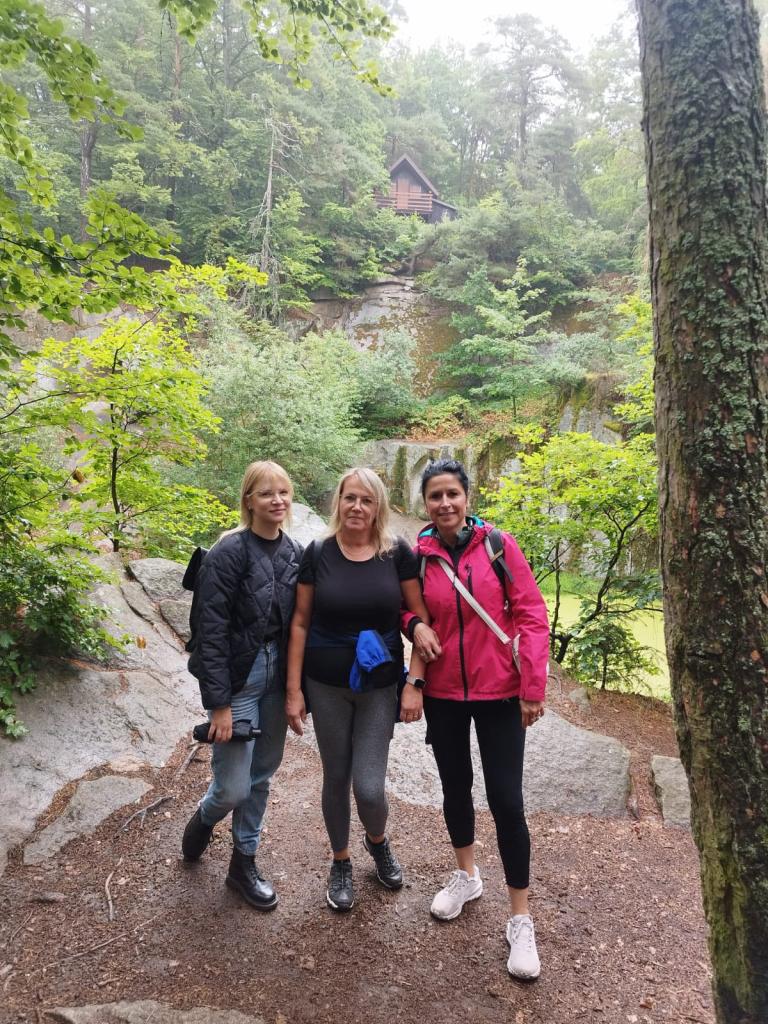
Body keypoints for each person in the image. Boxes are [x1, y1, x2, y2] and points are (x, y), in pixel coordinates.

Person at [400, 458, 549, 980]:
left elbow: (531, 614)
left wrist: (532, 687)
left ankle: (520, 917)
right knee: (455, 787)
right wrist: (414, 626)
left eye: (452, 494)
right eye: (435, 496)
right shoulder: (418, 555)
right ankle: (467, 876)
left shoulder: (498, 546)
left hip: (500, 692)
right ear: (425, 503)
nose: (444, 503)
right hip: (444, 692)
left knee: (506, 800)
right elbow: (405, 609)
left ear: (467, 497)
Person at [285, 467, 432, 913]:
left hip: (378, 685)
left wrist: (415, 682)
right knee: (336, 776)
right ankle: (341, 860)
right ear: (339, 502)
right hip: (325, 684)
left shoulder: (397, 553)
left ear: (378, 506)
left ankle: (377, 841)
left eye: (367, 500)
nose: (357, 507)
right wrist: (294, 691)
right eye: (350, 497)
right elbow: (300, 622)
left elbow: (420, 618)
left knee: (368, 787)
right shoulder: (318, 553)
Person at [181, 460, 302, 911]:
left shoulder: (295, 552)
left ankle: (243, 862)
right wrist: (219, 705)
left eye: (283, 492)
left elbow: (301, 625)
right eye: (267, 493)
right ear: (248, 500)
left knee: (261, 776)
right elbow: (210, 632)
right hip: (239, 680)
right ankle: (205, 816)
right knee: (233, 787)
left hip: (277, 677)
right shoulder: (228, 552)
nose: (277, 500)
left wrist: (298, 689)